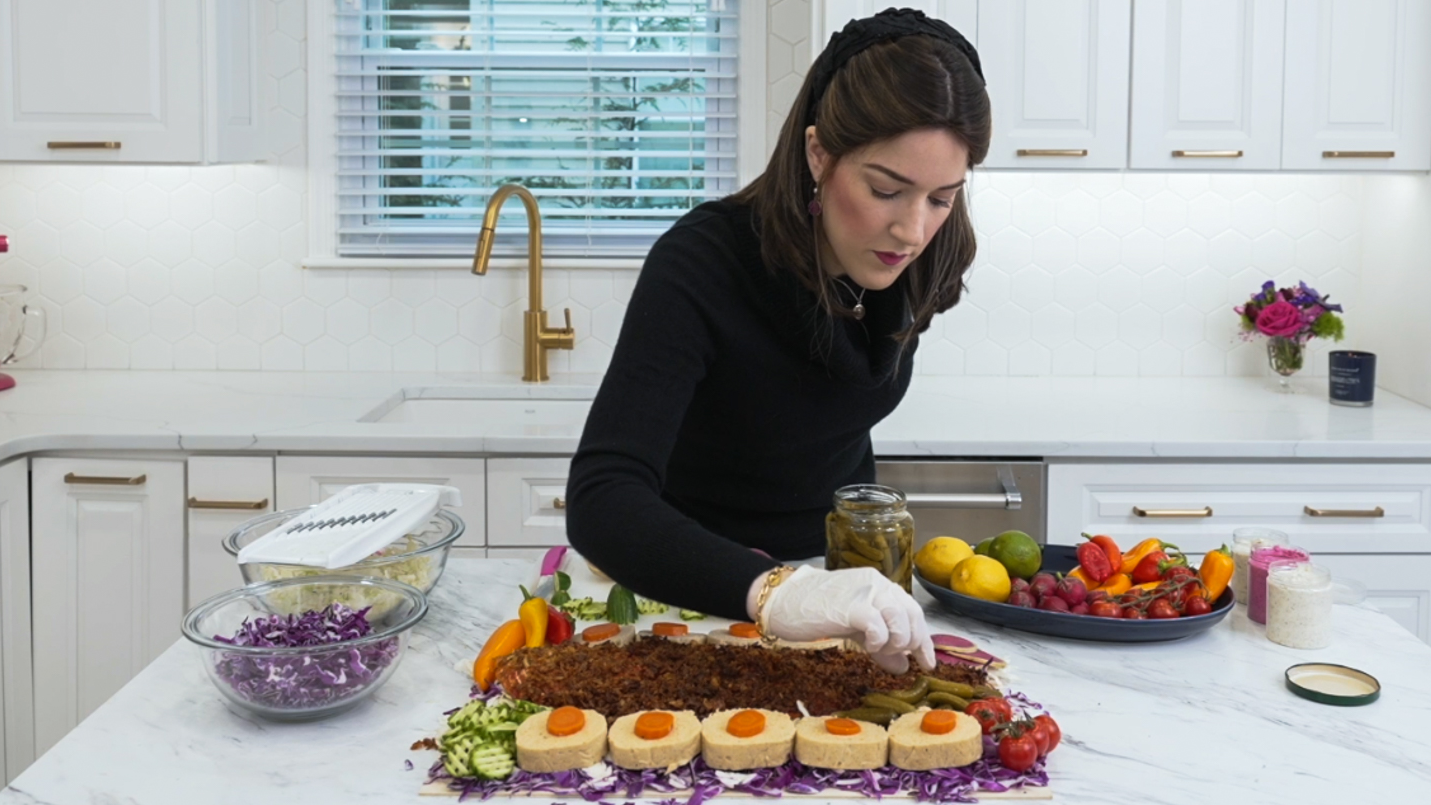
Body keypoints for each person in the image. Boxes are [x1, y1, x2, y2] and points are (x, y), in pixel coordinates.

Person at [565, 8, 991, 673]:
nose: (912, 231)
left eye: (942, 197)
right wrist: (777, 588)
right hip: (684, 584)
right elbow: (603, 499)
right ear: (818, 152)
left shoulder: (922, 256)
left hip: (832, 587)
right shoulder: (704, 262)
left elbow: (825, 406)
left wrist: (832, 581)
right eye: (886, 189)